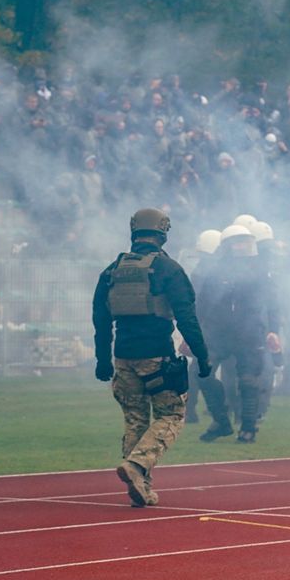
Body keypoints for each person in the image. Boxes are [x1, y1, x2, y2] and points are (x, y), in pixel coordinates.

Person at [92, 208, 211, 507]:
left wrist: (102, 360)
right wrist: (203, 356)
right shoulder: (169, 270)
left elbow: (101, 320)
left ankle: (141, 488)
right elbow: (187, 318)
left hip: (123, 359)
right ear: (163, 232)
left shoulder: (111, 271)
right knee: (171, 415)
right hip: (156, 357)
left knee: (135, 421)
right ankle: (136, 467)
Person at [197, 224, 278, 443]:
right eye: (237, 241)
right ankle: (221, 421)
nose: (242, 246)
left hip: (249, 333)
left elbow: (272, 305)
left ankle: (248, 428)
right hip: (218, 334)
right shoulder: (215, 272)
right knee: (202, 373)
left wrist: (273, 331)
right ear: (226, 246)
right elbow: (203, 304)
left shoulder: (261, 271)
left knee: (248, 380)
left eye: (245, 241)